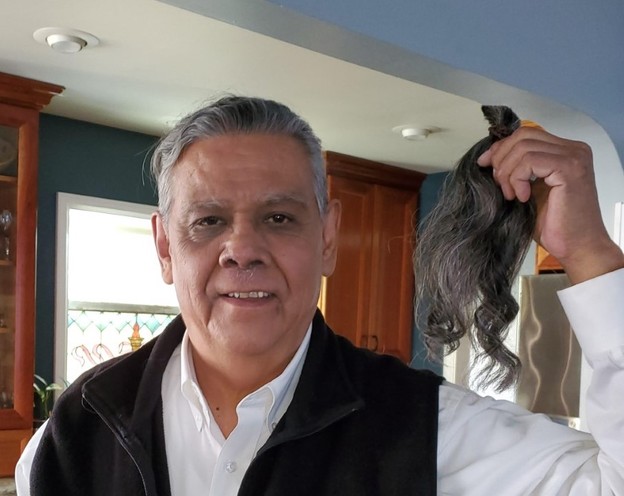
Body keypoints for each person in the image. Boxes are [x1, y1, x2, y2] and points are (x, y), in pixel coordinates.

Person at [15, 95, 624, 495]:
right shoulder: (75, 432)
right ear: (165, 247)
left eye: (279, 218)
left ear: (328, 238)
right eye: (207, 221)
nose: (242, 249)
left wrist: (591, 251)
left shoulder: (426, 428)